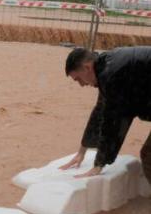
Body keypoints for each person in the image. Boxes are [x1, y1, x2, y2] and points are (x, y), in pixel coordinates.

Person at [61, 46, 151, 183]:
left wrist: (99, 164)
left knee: (148, 156)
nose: (81, 85)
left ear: (87, 68)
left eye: (78, 79)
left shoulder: (111, 75)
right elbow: (100, 112)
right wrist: (82, 151)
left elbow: (112, 123)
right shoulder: (106, 66)